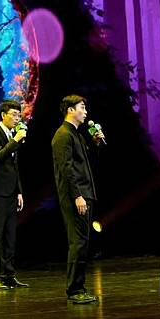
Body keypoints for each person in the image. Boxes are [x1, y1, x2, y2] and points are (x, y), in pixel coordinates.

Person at [52, 94, 105, 304]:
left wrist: (97, 143)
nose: (85, 111)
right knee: (78, 243)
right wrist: (77, 196)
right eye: (82, 107)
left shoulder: (77, 135)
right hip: (77, 196)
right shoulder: (63, 135)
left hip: (85, 193)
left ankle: (78, 287)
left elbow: (85, 164)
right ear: (70, 110)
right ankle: (75, 289)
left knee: (82, 243)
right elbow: (66, 170)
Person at [0, 99, 29, 290]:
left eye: (19, 115)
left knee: (10, 235)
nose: (17, 118)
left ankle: (9, 274)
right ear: (3, 115)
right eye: (13, 114)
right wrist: (16, 140)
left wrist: (19, 191)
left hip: (11, 192)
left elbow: (14, 166)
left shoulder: (13, 134)